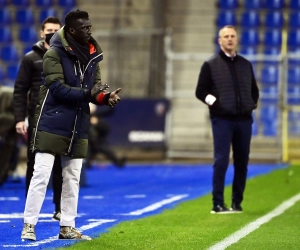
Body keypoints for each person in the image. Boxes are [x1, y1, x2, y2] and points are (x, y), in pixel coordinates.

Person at [21, 9, 121, 241]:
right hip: (52, 121)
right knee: (41, 175)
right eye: (85, 27)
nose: (90, 30)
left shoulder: (93, 55)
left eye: (90, 26)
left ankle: (67, 226)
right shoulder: (53, 54)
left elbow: (95, 89)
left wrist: (105, 98)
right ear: (72, 31)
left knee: (72, 177)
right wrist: (88, 93)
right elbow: (57, 89)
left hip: (78, 123)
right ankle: (29, 224)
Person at [195, 25, 259, 214]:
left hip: (244, 120)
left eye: (232, 36)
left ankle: (236, 203)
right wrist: (216, 104)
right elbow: (200, 91)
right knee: (221, 160)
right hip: (222, 120)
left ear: (237, 40)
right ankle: (217, 204)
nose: (230, 39)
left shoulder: (246, 64)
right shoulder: (210, 65)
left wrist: (251, 104)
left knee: (242, 161)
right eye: (226, 36)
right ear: (219, 40)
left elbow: (254, 90)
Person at [13, 17, 63, 221]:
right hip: (37, 118)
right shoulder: (30, 58)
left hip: (60, 117)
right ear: (42, 33)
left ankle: (60, 207)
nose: (52, 33)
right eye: (49, 30)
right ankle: (30, 208)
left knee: (61, 162)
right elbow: (19, 91)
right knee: (33, 162)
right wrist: (19, 119)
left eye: (56, 30)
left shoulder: (66, 57)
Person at [86, 104, 126, 169]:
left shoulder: (97, 117)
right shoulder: (82, 118)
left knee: (108, 151)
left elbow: (106, 129)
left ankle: (118, 162)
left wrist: (97, 123)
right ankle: (87, 164)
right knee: (86, 160)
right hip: (88, 143)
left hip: (99, 142)